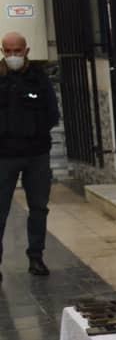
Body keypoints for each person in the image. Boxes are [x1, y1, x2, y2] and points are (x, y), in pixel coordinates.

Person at [0, 31, 59, 281]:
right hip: (4, 156)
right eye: (8, 51)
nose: (13, 55)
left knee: (38, 208)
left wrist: (35, 132)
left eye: (17, 50)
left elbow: (52, 113)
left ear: (26, 51)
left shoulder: (39, 78)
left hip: (36, 155)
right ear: (2, 51)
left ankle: (36, 257)